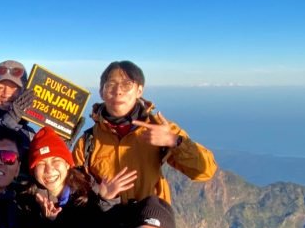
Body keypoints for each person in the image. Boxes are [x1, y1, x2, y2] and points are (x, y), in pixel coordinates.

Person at [72, 60, 217, 204]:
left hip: (151, 216)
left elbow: (205, 171)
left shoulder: (159, 129)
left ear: (139, 91)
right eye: (110, 84)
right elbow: (74, 189)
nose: (118, 91)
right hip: (106, 217)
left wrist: (174, 141)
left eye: (127, 84)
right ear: (101, 92)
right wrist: (100, 194)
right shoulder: (87, 142)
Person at [21, 126, 136, 228]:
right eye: (41, 163)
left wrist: (107, 200)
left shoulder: (89, 191)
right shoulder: (26, 202)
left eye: (55, 160)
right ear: (33, 170)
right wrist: (49, 222)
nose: (49, 170)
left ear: (67, 164)